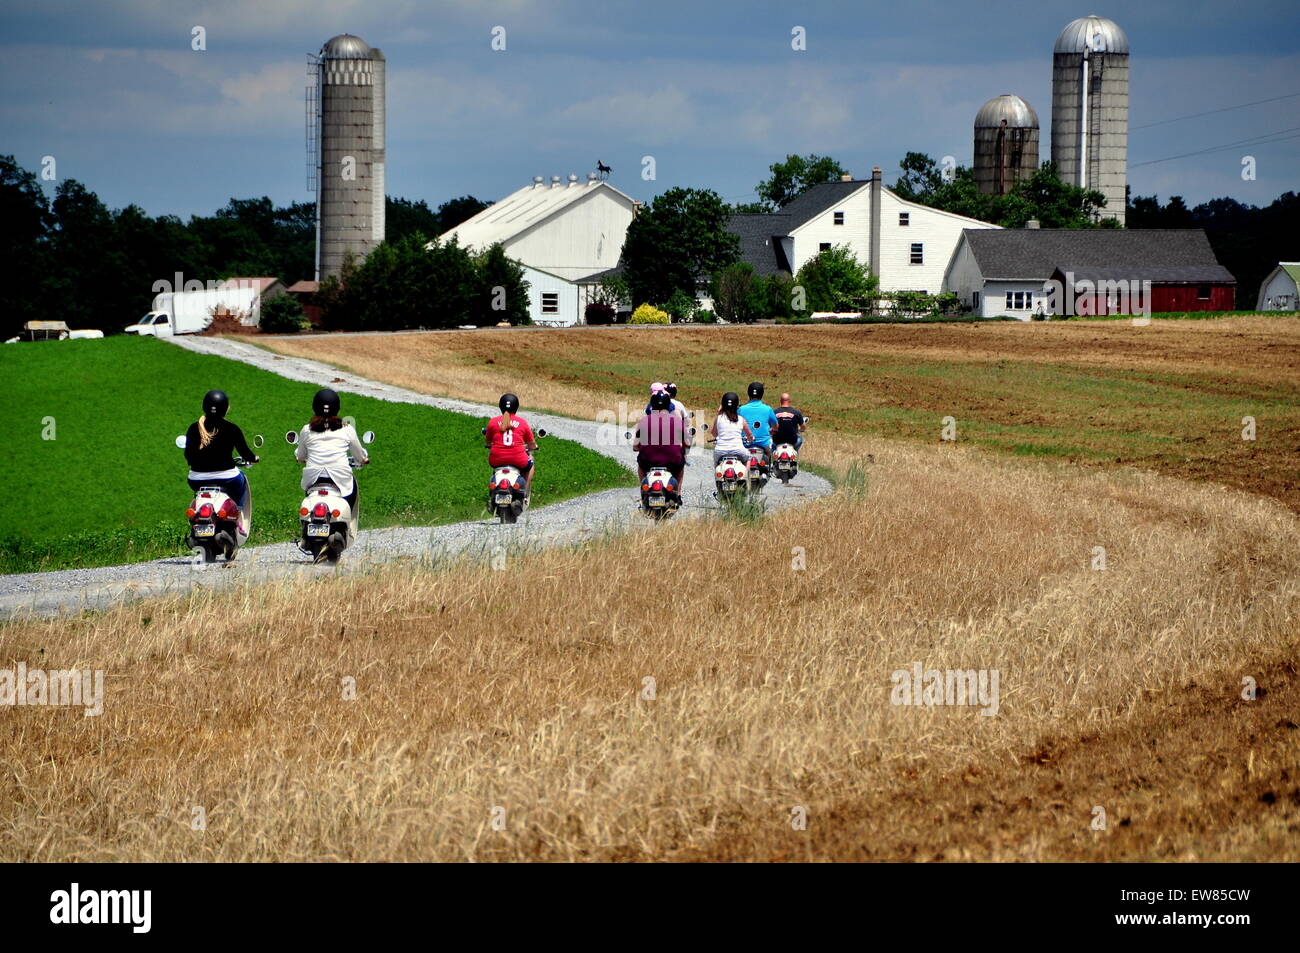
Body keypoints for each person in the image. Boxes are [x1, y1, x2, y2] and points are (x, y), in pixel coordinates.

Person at [184, 389, 258, 534]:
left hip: (196, 479)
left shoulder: (193, 428)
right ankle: (238, 517)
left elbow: (188, 455)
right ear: (225, 408)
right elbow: (245, 453)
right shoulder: (232, 428)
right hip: (227, 477)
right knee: (241, 480)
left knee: (198, 493)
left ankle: (199, 513)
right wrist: (254, 458)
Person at [295, 387, 368, 513]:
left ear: (315, 407)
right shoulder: (347, 429)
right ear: (337, 407)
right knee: (351, 489)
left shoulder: (307, 430)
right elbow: (359, 453)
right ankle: (348, 520)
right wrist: (363, 459)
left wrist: (301, 458)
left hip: (313, 476)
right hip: (340, 475)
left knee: (309, 495)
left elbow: (301, 455)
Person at [485, 392, 539, 499]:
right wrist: (533, 447)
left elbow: (487, 442)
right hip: (518, 459)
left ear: (500, 406)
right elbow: (531, 444)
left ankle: (493, 491)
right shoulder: (522, 423)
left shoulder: (493, 422)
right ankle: (524, 492)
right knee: (530, 465)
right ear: (516, 407)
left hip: (496, 460)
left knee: (495, 468)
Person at [632, 389, 688, 490]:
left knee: (640, 467)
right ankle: (678, 493)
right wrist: (682, 448)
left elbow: (635, 446)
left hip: (647, 462)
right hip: (673, 462)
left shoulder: (644, 421)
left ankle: (643, 490)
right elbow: (687, 443)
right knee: (681, 468)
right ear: (668, 405)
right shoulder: (677, 421)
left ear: (652, 405)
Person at [708, 391, 753, 465]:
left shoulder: (718, 418)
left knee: (716, 464)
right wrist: (751, 438)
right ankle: (745, 476)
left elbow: (714, 433)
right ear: (737, 406)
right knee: (749, 459)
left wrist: (719, 413)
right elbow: (749, 435)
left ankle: (717, 475)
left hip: (720, 451)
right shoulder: (741, 419)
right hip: (738, 450)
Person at [738, 381, 778, 464]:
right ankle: (767, 468)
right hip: (764, 443)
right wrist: (773, 430)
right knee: (772, 451)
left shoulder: (741, 409)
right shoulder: (768, 409)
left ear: (749, 393)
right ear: (762, 394)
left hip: (745, 443)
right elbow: (775, 426)